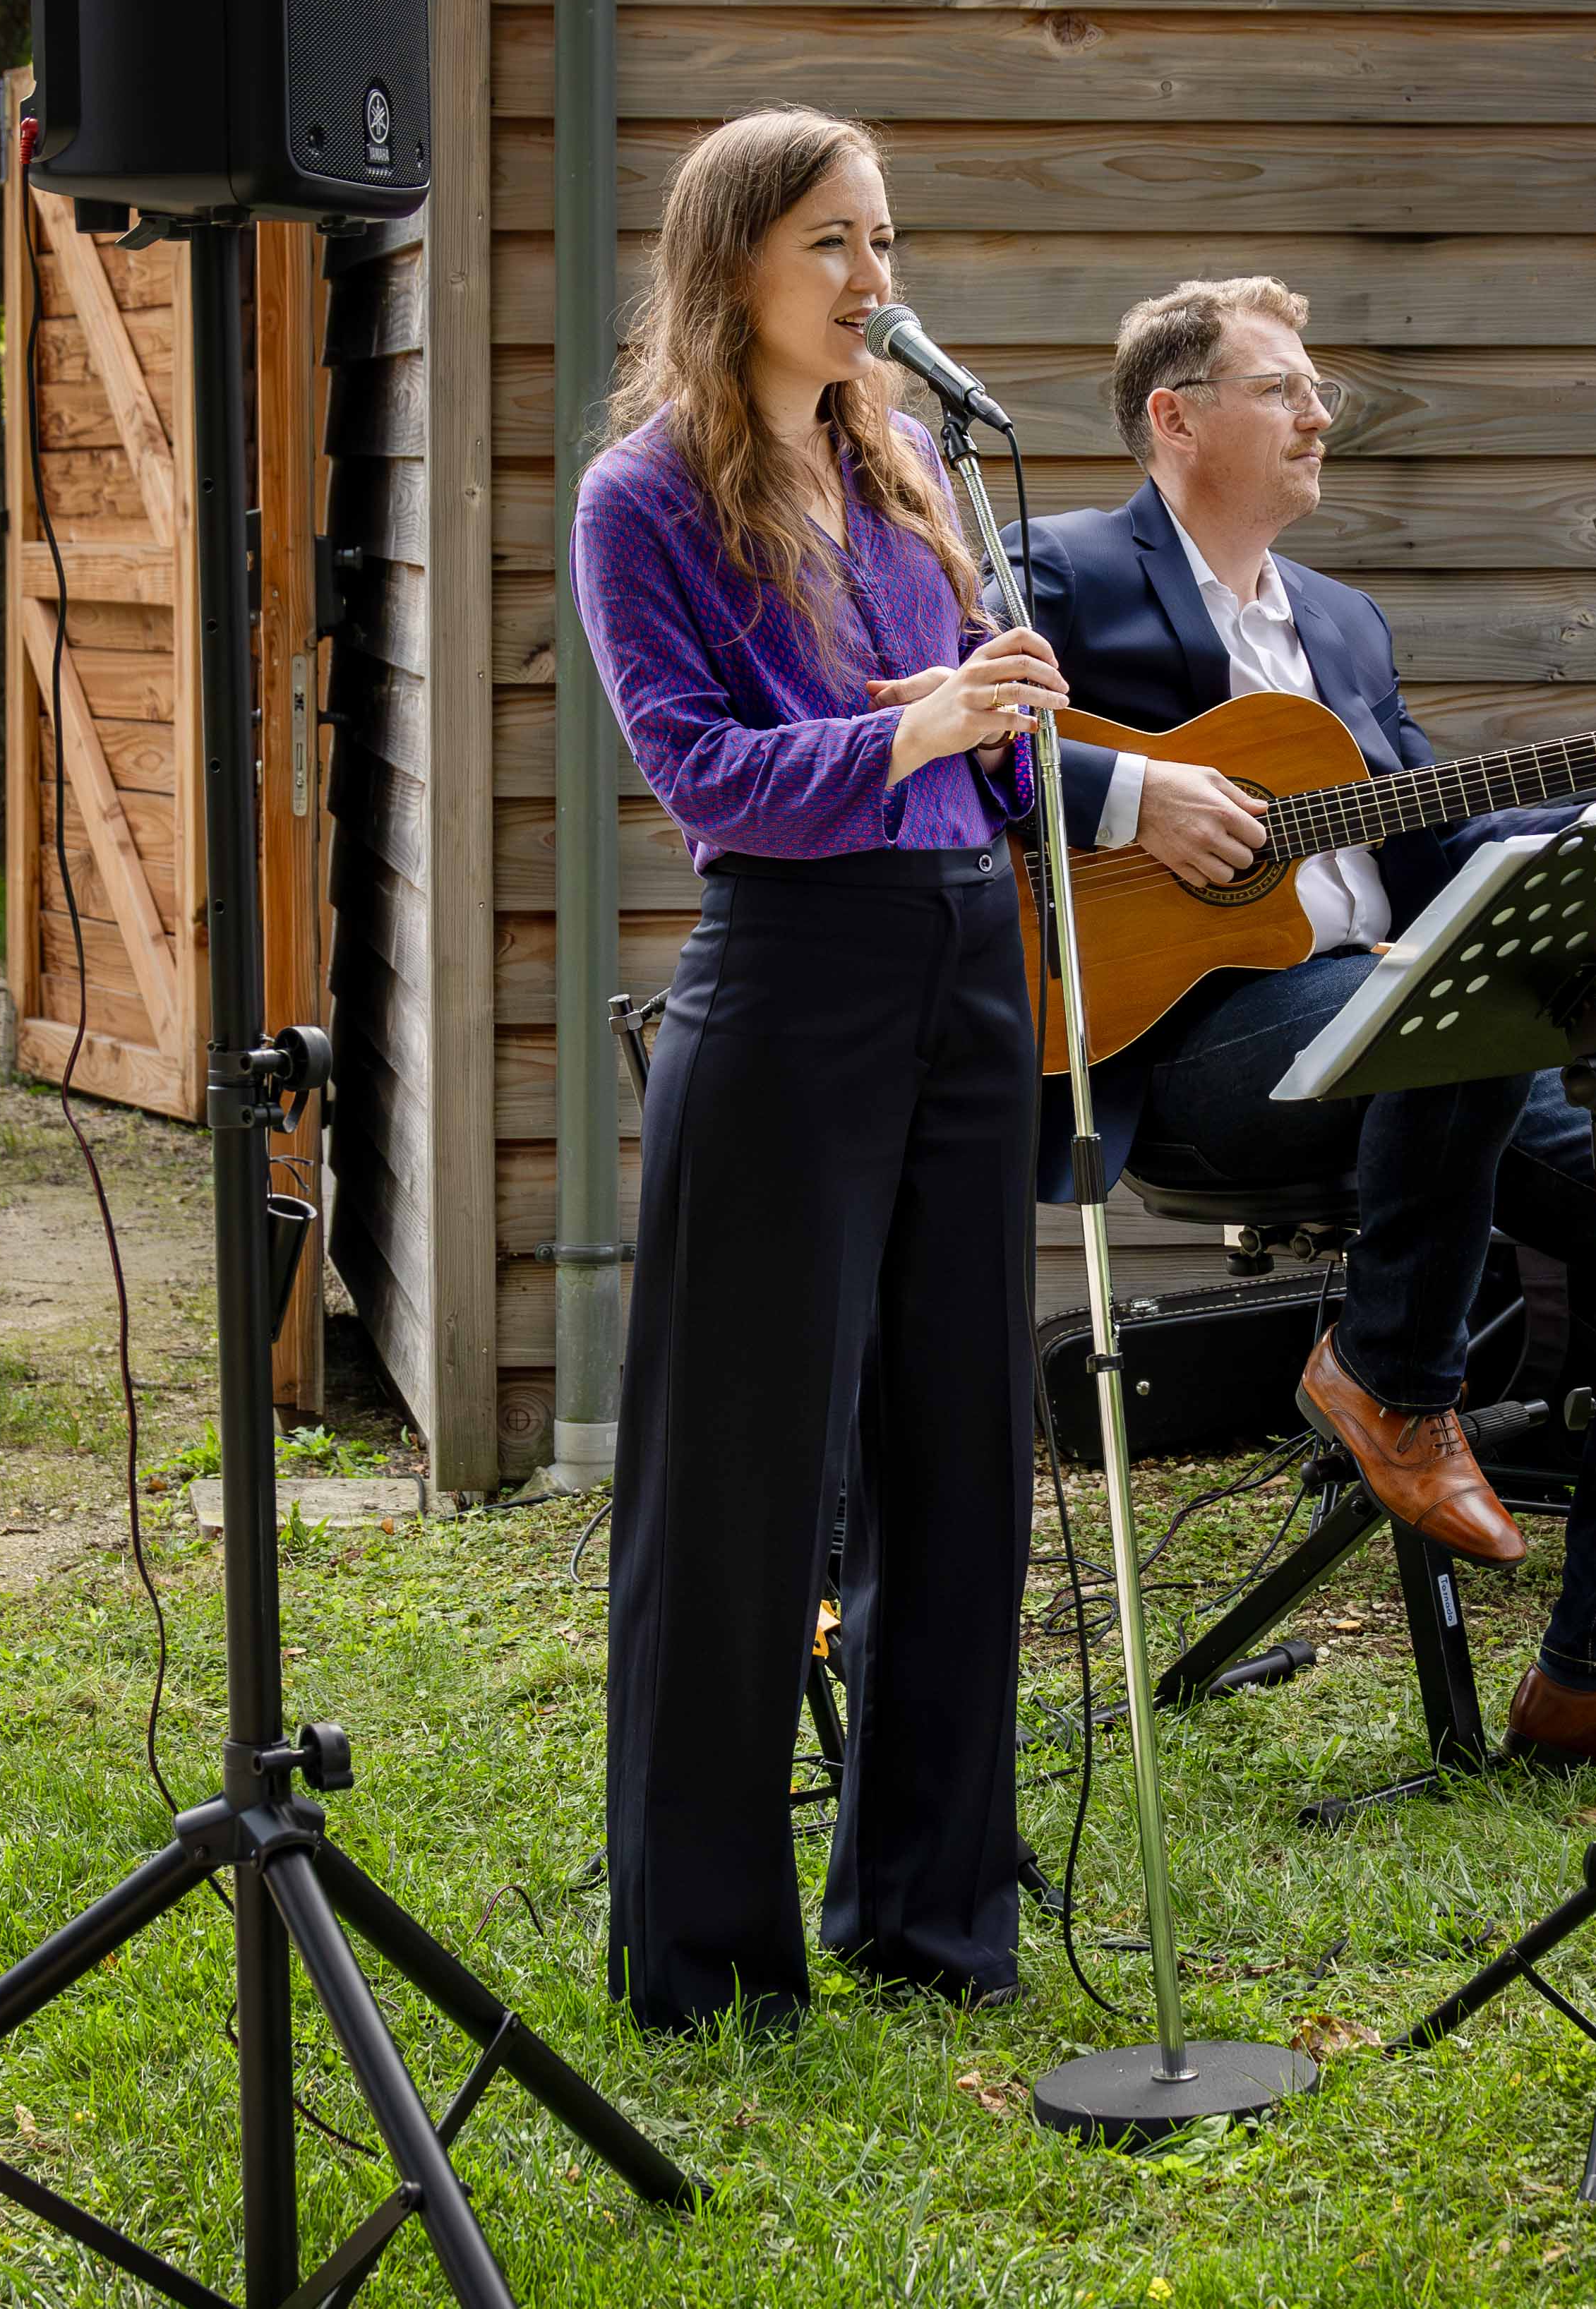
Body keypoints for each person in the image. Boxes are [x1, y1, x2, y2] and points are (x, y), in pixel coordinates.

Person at [1006, 275, 1596, 1797]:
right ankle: (1389, 1370)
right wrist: (1146, 805)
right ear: (1174, 417)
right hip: (1188, 1050)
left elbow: (1440, 853)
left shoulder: (1345, 625)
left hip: (1417, 1045)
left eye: (1318, 390)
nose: (1323, 415)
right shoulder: (1059, 573)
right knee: (1475, 1003)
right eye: (1283, 387)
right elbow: (986, 759)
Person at [570, 107, 1070, 2034]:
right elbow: (702, 775)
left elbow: (969, 753)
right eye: (833, 247)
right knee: (745, 1483)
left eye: (884, 241)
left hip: (967, 962)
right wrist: (910, 725)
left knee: (962, 1458)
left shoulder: (913, 458)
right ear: (735, 273)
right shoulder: (646, 501)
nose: (878, 282)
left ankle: (933, 1915)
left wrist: (1000, 716)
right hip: (790, 991)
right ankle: (703, 1962)